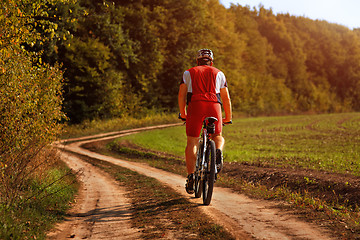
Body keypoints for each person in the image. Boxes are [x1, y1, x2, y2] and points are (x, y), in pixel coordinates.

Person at [178, 48, 232, 194]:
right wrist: (228, 117)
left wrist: (184, 114)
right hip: (214, 106)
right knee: (217, 136)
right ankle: (218, 151)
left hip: (195, 106)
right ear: (211, 61)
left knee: (192, 141)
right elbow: (226, 98)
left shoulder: (188, 73)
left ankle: (190, 177)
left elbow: (182, 95)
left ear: (197, 61)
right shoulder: (219, 73)